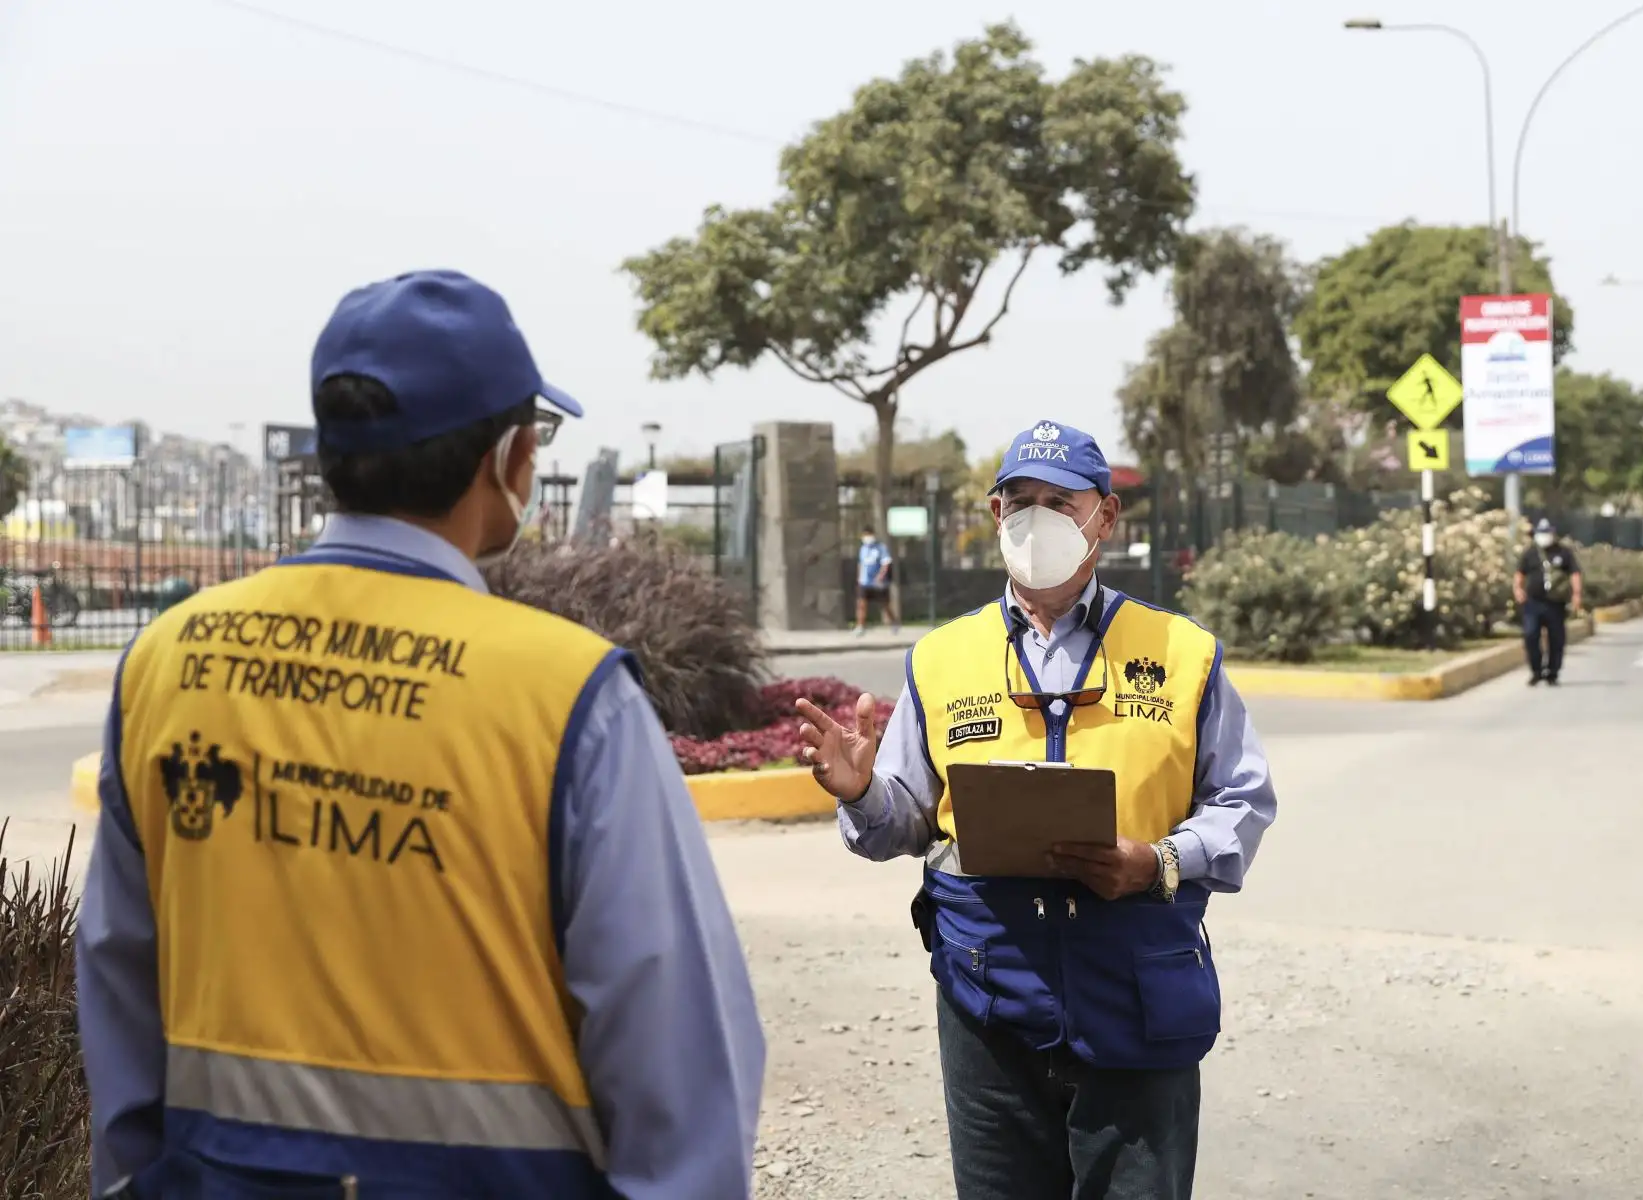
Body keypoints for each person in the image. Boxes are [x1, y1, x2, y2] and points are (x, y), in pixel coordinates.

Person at [75, 269, 765, 1199]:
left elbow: (118, 998)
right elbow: (681, 1065)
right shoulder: (568, 696)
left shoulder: (167, 661)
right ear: (507, 460)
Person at [795, 419, 1277, 1200]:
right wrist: (861, 792)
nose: (1036, 519)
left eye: (1060, 501)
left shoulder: (1184, 652)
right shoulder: (941, 657)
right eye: (1018, 501)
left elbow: (1243, 801)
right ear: (994, 516)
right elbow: (907, 821)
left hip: (1136, 998)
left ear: (1105, 520)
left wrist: (1157, 862)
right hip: (990, 1000)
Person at [1515, 516, 1583, 687]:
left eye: (1547, 532)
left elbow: (1574, 573)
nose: (1544, 536)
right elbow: (1519, 573)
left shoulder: (1564, 552)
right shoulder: (1530, 552)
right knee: (1530, 635)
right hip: (1533, 602)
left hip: (1556, 604)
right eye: (1541, 532)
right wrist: (1518, 589)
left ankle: (1552, 672)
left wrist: (1576, 594)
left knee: (1556, 638)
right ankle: (1536, 671)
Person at [854, 524, 898, 634]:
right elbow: (861, 564)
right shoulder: (863, 549)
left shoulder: (880, 548)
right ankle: (860, 626)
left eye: (869, 535)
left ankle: (894, 623)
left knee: (884, 605)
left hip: (878, 583)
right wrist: (859, 577)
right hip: (865, 582)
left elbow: (886, 563)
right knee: (861, 604)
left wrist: (880, 576)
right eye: (865, 535)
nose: (867, 537)